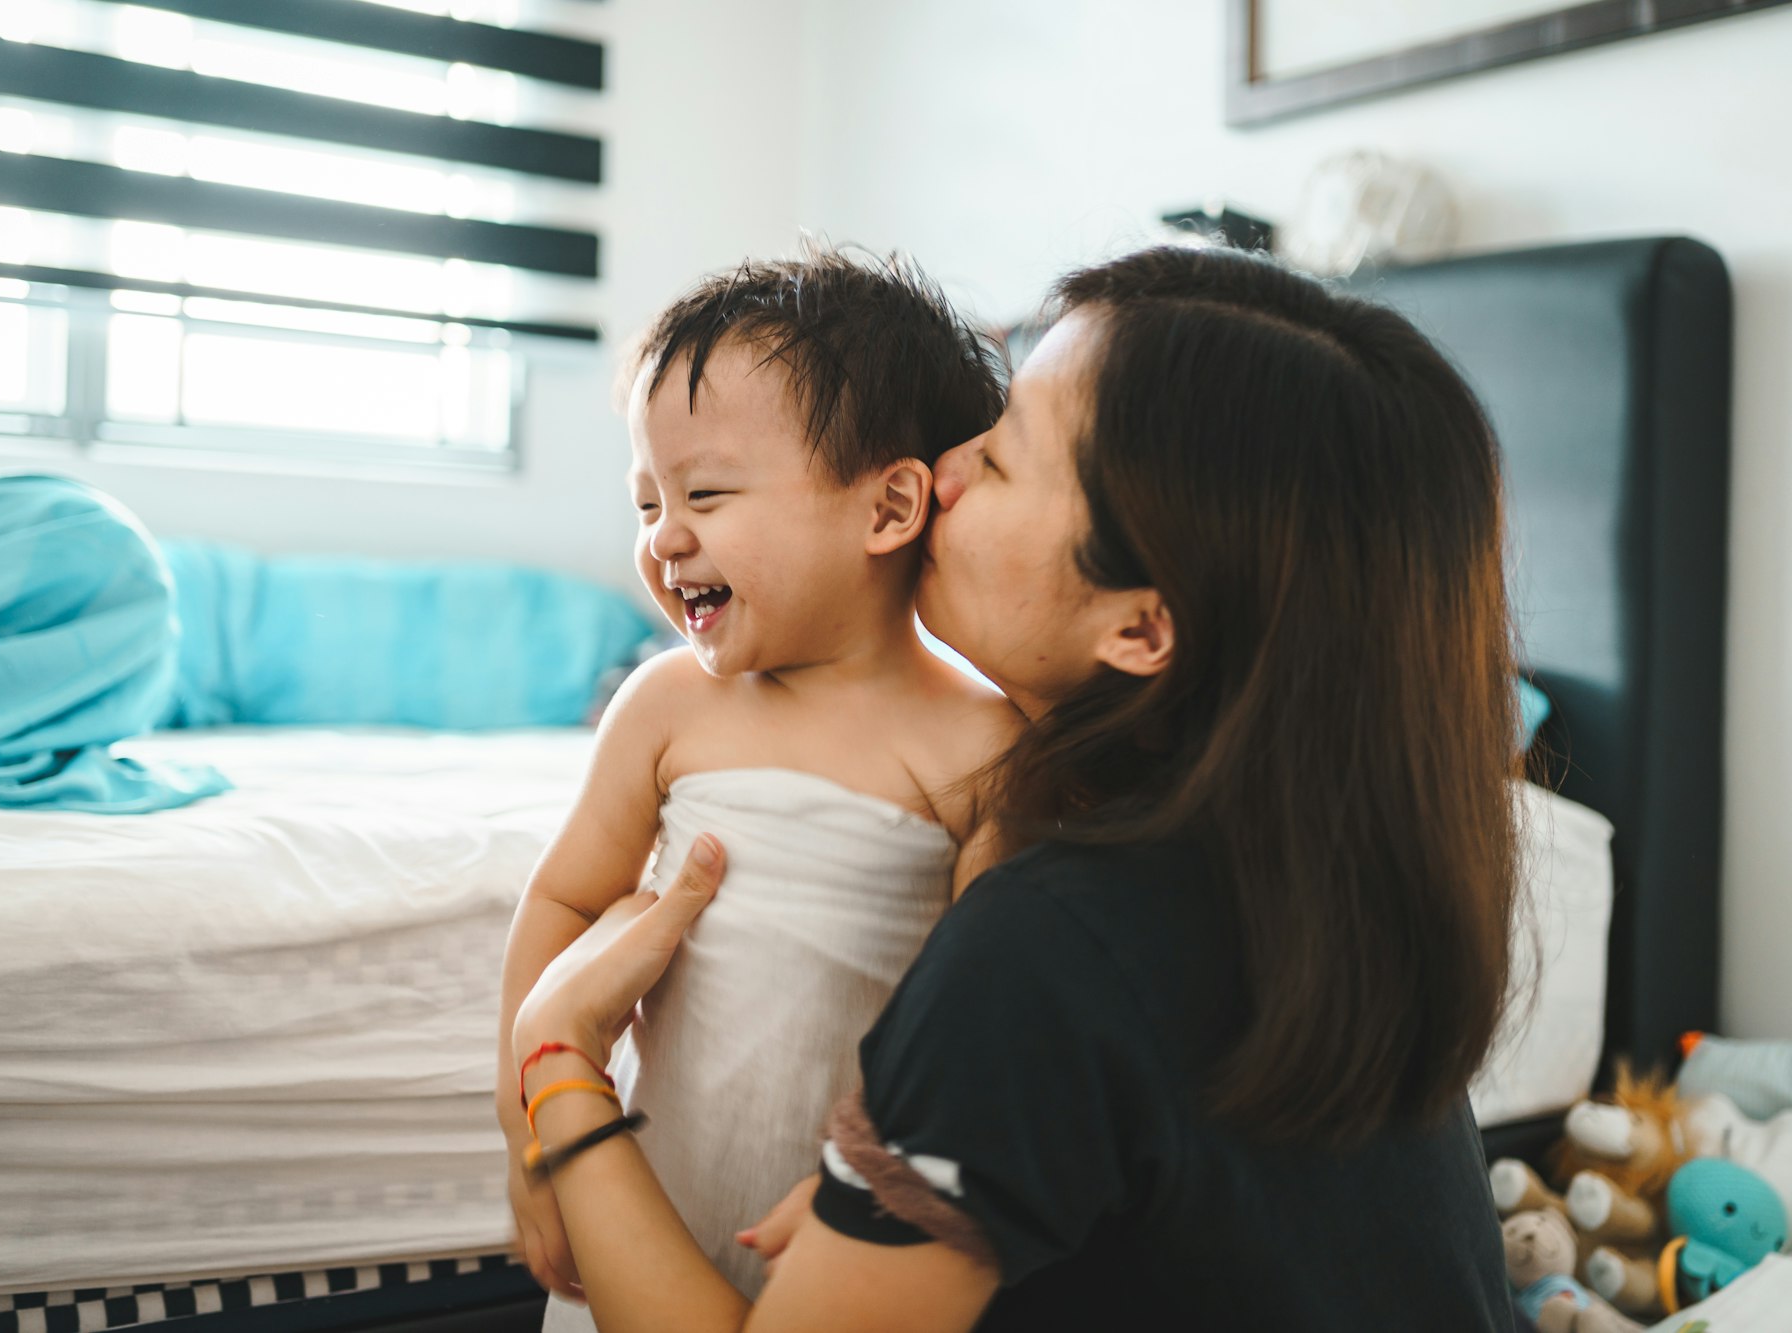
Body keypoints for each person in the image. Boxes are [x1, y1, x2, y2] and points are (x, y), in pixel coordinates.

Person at [508, 245, 1523, 1331]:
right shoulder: (1326, 888)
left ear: (1139, 623)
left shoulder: (1049, 942)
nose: (942, 467)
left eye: (999, 459)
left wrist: (558, 1061)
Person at [493, 248, 1024, 1327]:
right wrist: (532, 1139)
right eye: (647, 500)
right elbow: (560, 901)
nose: (663, 538)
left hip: (830, 1228)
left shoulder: (979, 750)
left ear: (887, 509)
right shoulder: (666, 706)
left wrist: (876, 1191)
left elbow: (983, 1030)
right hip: (636, 1186)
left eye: (706, 494)